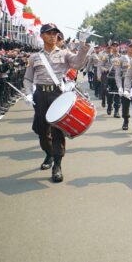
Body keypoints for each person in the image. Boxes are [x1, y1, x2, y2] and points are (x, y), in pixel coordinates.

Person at [23, 24, 92, 183]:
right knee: (41, 129)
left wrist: (82, 45)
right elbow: (27, 78)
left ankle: (57, 165)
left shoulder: (65, 53)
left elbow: (78, 64)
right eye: (49, 33)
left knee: (57, 130)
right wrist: (28, 93)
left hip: (57, 93)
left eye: (55, 33)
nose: (52, 36)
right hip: (40, 94)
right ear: (42, 36)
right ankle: (49, 154)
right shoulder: (34, 57)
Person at [117, 43, 132, 131]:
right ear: (127, 47)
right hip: (125, 82)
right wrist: (120, 87)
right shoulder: (121, 59)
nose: (131, 48)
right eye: (130, 46)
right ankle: (125, 120)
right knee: (125, 104)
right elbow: (117, 74)